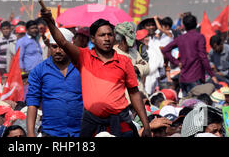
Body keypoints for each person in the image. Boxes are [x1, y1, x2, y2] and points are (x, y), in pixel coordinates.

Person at [41, 8, 151, 137]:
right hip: (91, 124)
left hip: (120, 122)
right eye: (102, 35)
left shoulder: (124, 61)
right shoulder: (83, 56)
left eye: (110, 35)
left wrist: (146, 125)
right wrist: (50, 22)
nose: (107, 38)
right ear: (92, 39)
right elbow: (63, 42)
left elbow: (134, 93)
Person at [26, 28, 83, 137]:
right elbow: (32, 102)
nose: (57, 51)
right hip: (51, 132)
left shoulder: (82, 67)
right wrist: (30, 133)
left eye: (61, 47)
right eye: (54, 46)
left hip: (80, 131)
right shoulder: (39, 70)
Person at [161, 14, 219, 97]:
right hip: (195, 77)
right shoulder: (199, 37)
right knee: (196, 104)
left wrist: (177, 62)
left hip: (183, 78)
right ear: (196, 24)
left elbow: (165, 50)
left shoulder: (181, 38)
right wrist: (212, 75)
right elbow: (203, 57)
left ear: (184, 26)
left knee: (186, 104)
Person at [113, 22, 149, 99]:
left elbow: (147, 68)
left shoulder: (134, 52)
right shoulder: (114, 53)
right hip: (126, 97)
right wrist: (138, 67)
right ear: (122, 39)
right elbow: (121, 72)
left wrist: (134, 68)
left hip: (141, 92)